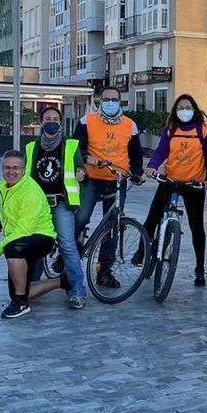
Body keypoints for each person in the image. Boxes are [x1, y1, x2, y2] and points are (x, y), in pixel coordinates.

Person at [139, 94, 207, 287]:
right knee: (152, 217)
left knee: (196, 226)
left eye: (188, 107)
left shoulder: (204, 129)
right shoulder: (171, 129)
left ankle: (199, 268)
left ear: (194, 109)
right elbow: (162, 151)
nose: (184, 110)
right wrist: (152, 166)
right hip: (170, 180)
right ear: (175, 110)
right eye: (180, 107)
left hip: (194, 184)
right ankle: (142, 252)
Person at [73, 85, 144, 288]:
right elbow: (75, 147)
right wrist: (88, 158)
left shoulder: (130, 125)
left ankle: (104, 271)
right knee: (81, 216)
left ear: (120, 102)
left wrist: (137, 173)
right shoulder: (87, 121)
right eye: (106, 99)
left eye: (114, 99)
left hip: (117, 181)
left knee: (113, 226)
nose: (110, 103)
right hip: (91, 179)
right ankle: (67, 253)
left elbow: (136, 153)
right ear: (99, 101)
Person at [0, 150, 65, 319]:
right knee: (19, 291)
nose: (11, 172)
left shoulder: (29, 191)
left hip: (41, 238)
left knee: (12, 249)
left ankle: (21, 304)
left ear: (24, 169)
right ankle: (62, 282)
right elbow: (5, 210)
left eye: (16, 168)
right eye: (7, 167)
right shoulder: (6, 187)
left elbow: (24, 230)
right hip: (22, 239)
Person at [26, 106, 89, 309]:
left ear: (60, 122)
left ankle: (77, 291)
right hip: (38, 205)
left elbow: (81, 169)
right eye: (47, 118)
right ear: (41, 122)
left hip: (61, 204)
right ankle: (30, 287)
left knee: (68, 246)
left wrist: (81, 173)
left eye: (55, 118)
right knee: (35, 245)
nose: (51, 121)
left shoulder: (70, 145)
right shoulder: (31, 148)